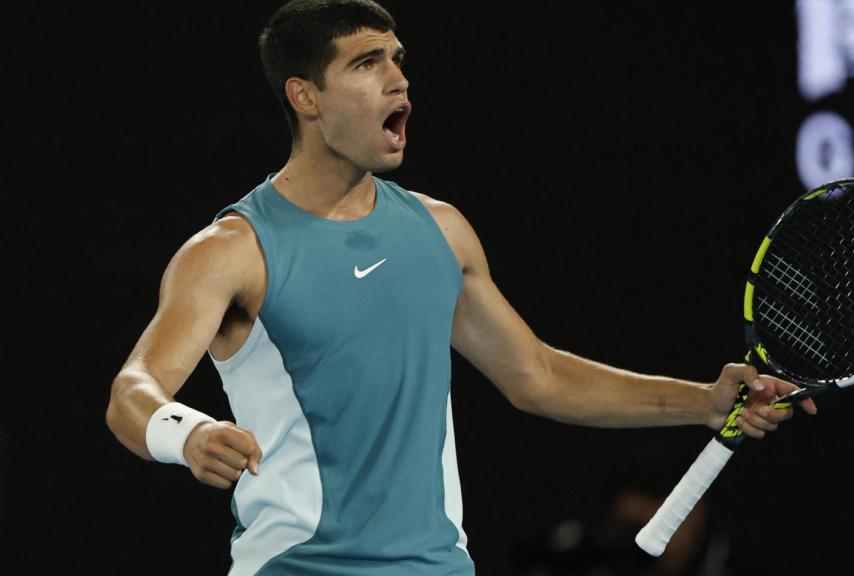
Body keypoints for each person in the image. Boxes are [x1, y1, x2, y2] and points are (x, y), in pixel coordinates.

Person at [105, 1, 817, 574]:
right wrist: (188, 433)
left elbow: (536, 375)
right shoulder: (233, 250)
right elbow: (133, 391)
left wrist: (705, 402)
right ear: (305, 97)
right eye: (366, 63)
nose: (399, 81)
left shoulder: (440, 232)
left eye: (398, 61)